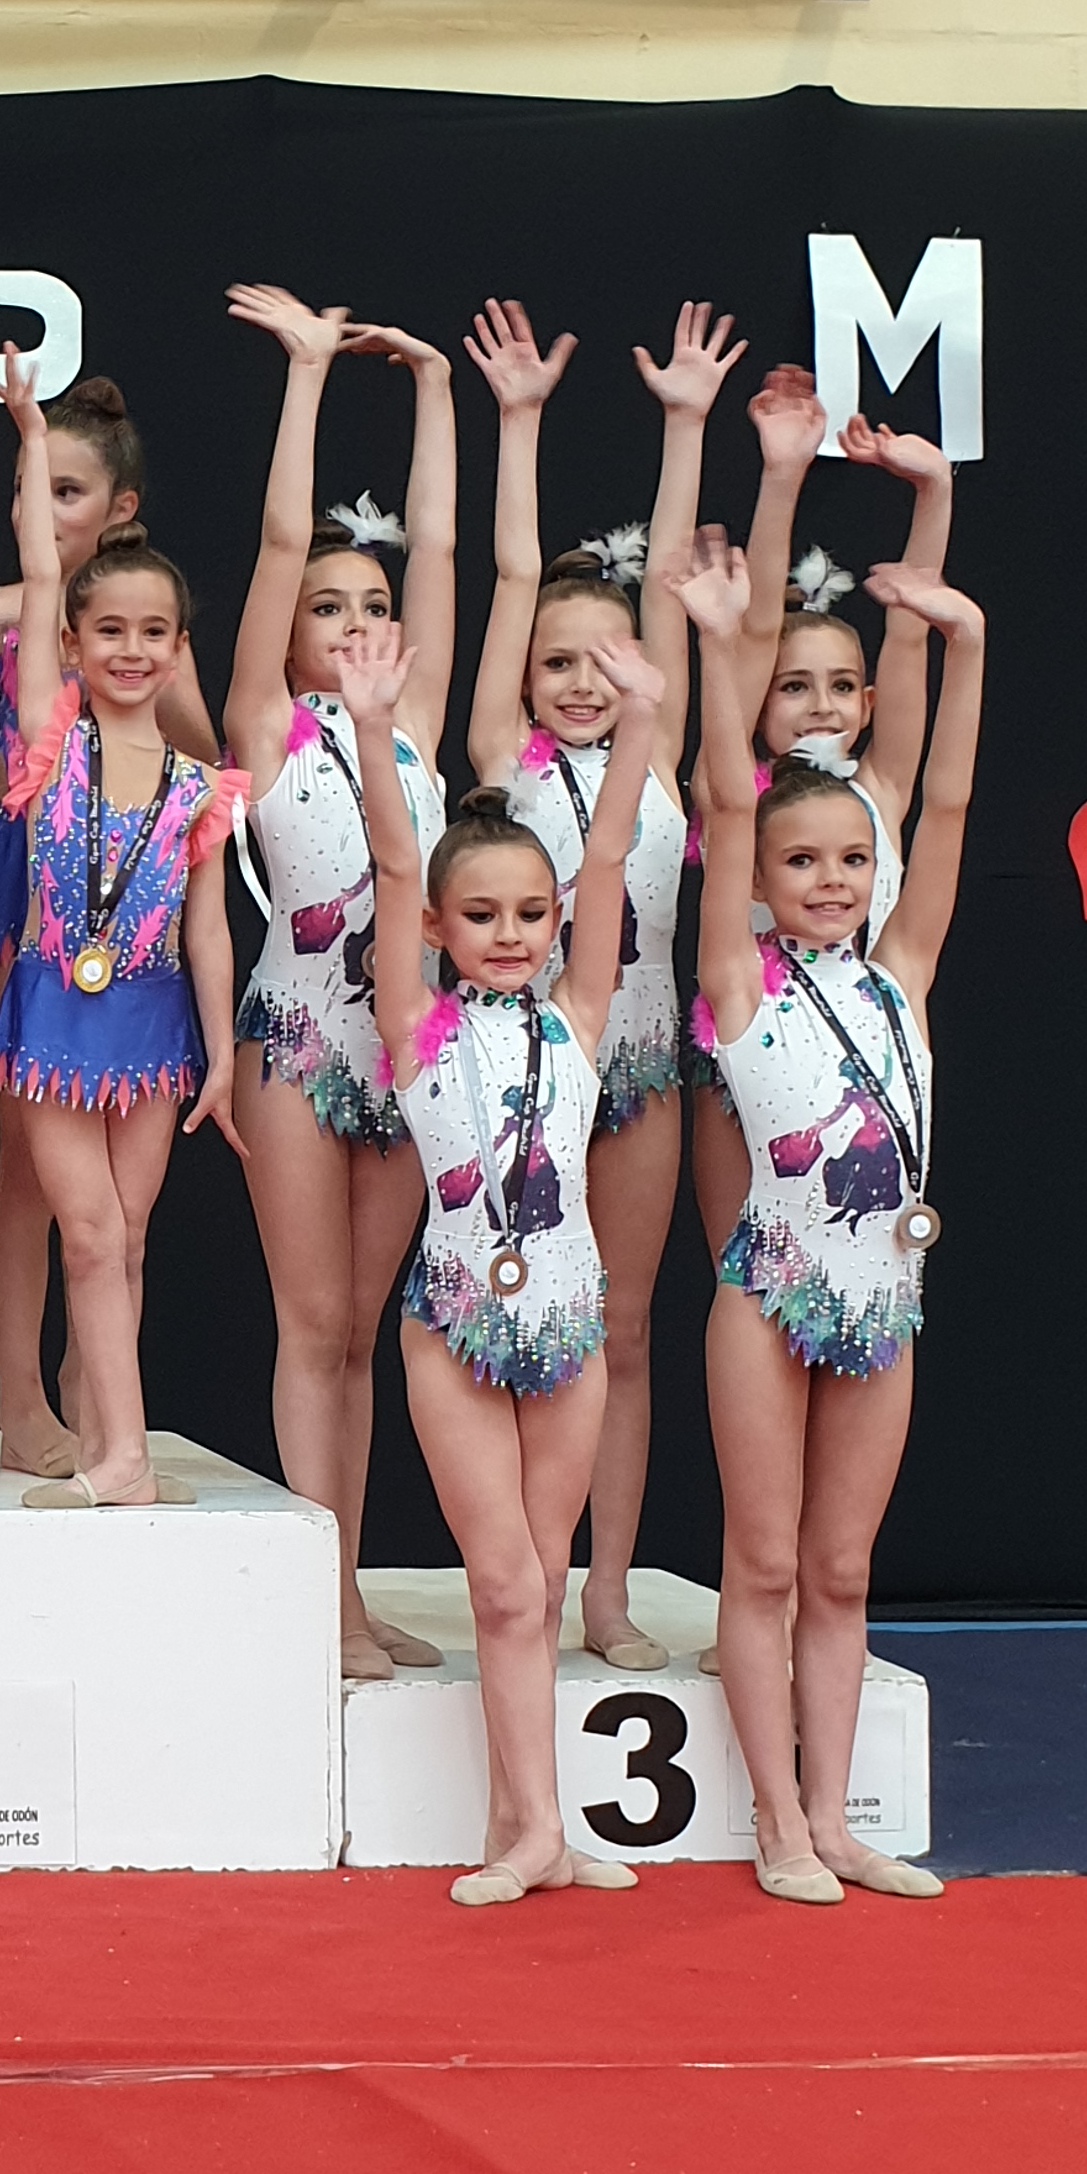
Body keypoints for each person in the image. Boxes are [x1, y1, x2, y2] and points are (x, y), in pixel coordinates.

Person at [336, 610, 666, 1904]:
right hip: (455, 1326)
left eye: (533, 912)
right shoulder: (414, 1026)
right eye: (483, 915)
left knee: (539, 1582)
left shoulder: (582, 1016)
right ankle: (530, 1833)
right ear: (439, 928)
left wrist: (644, 719)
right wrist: (374, 729)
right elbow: (390, 861)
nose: (514, 932)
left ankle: (532, 1831)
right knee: (504, 1577)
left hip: (569, 1325)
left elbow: (610, 853)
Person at [674, 528, 982, 1901]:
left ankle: (839, 1820)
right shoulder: (740, 985)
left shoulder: (901, 973)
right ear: (758, 878)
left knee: (844, 1568)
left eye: (853, 860)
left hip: (883, 1301)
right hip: (769, 1291)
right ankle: (779, 1824)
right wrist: (719, 645)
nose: (833, 881)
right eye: (802, 862)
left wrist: (966, 644)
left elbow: (949, 804)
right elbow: (723, 799)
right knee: (765, 1562)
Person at [461, 294, 734, 1668]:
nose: (579, 682)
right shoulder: (500, 762)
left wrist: (685, 427)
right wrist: (517, 425)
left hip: (635, 1070)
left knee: (620, 1332)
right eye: (555, 662)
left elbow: (674, 586)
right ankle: (519, 1570)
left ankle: (605, 1591)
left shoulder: (657, 752)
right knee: (521, 1321)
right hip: (516, 1084)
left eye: (601, 662)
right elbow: (512, 571)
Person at [219, 283, 459, 1682]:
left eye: (375, 605)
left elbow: (441, 547)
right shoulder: (267, 721)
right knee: (313, 1328)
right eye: (331, 606)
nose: (360, 622)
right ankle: (326, 1606)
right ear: (292, 630)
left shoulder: (412, 723)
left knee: (364, 1336)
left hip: (406, 1052)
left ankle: (349, 1590)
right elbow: (273, 538)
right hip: (303, 1041)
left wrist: (435, 388)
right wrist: (309, 372)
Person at [0, 347, 245, 1512]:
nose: (131, 651)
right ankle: (123, 1459)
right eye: (110, 633)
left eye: (154, 634)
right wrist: (34, 434)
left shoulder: (198, 785)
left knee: (125, 1240)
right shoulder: (50, 744)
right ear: (75, 646)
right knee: (86, 1232)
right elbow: (44, 574)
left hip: (152, 1024)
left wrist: (222, 1055)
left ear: (178, 648)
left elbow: (209, 931)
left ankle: (108, 1443)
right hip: (52, 1010)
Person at [690, 364, 957, 1264]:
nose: (820, 706)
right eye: (793, 687)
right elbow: (753, 630)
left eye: (842, 686)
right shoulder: (737, 793)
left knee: (861, 1261)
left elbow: (913, 624)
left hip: (866, 1050)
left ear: (868, 703)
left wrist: (934, 493)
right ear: (758, 698)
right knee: (749, 1266)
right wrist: (782, 476)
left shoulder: (879, 788)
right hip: (749, 1055)